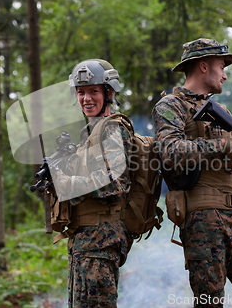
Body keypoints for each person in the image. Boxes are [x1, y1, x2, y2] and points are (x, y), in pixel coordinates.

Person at [152, 38, 232, 307]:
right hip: (203, 216)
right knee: (210, 302)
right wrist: (222, 145)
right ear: (203, 67)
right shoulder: (171, 105)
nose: (225, 74)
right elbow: (170, 152)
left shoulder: (223, 112)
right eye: (222, 66)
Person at [53, 59, 133, 308]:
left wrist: (69, 184)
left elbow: (116, 182)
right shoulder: (90, 133)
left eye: (93, 91)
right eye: (81, 92)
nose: (86, 98)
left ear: (109, 93)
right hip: (86, 242)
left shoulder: (112, 129)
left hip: (100, 242)